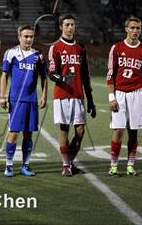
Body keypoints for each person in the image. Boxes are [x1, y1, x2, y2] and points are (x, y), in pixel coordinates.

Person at [106, 16, 142, 176]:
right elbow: (110, 75)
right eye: (132, 28)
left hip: (137, 94)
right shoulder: (116, 48)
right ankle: (114, 165)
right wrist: (111, 97)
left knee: (134, 131)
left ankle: (130, 165)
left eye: (138, 28)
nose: (135, 31)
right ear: (126, 29)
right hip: (119, 94)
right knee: (118, 130)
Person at [47, 13, 96, 177]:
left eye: (72, 25)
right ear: (61, 27)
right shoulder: (55, 47)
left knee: (80, 131)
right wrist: (63, 78)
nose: (70, 27)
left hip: (78, 95)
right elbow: (51, 73)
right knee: (64, 129)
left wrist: (90, 100)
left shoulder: (81, 48)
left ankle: (70, 161)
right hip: (62, 95)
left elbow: (86, 75)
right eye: (67, 25)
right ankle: (66, 165)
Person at [0, 25, 48, 177]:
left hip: (31, 100)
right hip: (16, 100)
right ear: (19, 37)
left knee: (28, 134)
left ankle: (25, 165)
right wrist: (2, 96)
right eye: (25, 36)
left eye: (31, 37)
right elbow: (4, 76)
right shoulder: (11, 53)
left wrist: (44, 96)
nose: (28, 39)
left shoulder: (38, 56)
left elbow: (44, 78)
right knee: (14, 133)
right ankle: (8, 166)